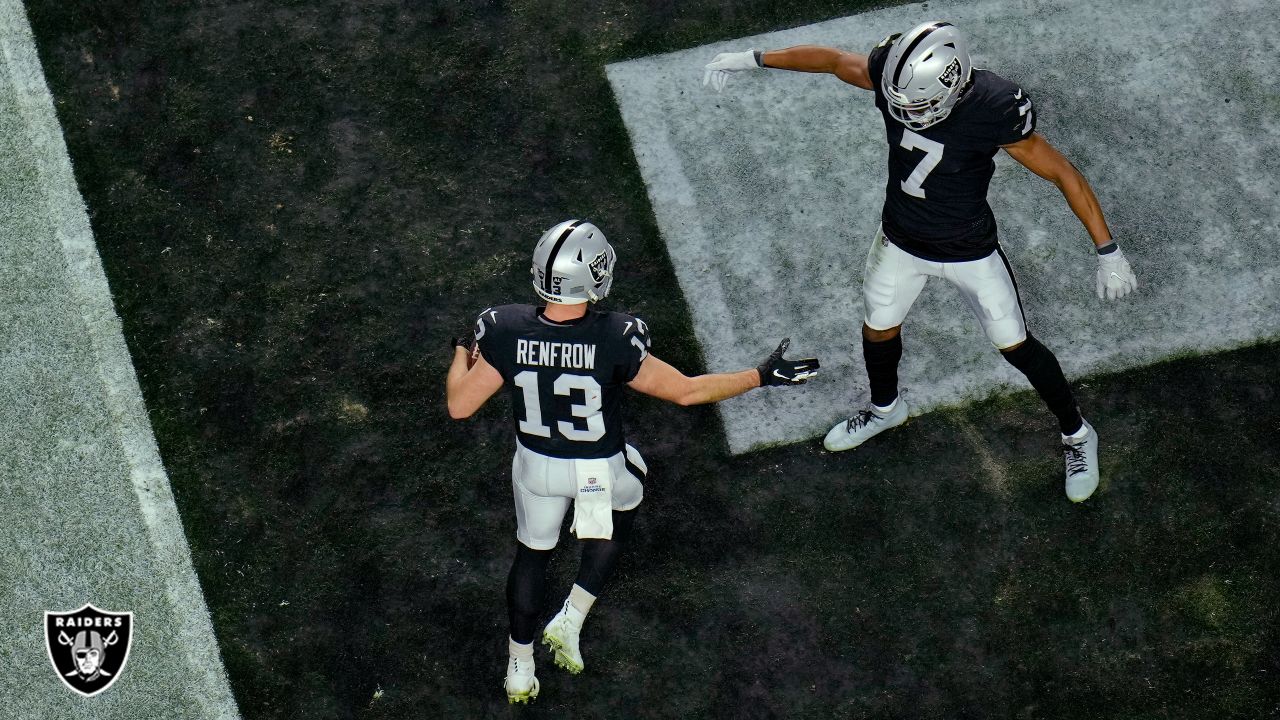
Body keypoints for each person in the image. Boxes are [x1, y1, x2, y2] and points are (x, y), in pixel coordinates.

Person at [702, 20, 1138, 502]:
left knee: (1014, 345)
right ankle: (886, 408)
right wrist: (754, 58)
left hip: (969, 251)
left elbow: (1062, 174)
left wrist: (1108, 250)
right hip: (900, 239)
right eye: (902, 101)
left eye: (921, 103)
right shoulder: (896, 76)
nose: (909, 112)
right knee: (878, 327)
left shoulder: (993, 105)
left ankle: (1077, 433)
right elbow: (830, 61)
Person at [445, 219, 820, 703]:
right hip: (599, 470)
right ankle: (572, 617)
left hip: (537, 466)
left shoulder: (503, 327)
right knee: (624, 506)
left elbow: (459, 405)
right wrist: (761, 375)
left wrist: (461, 353)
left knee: (532, 555)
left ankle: (519, 666)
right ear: (593, 278)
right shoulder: (617, 336)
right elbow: (687, 392)